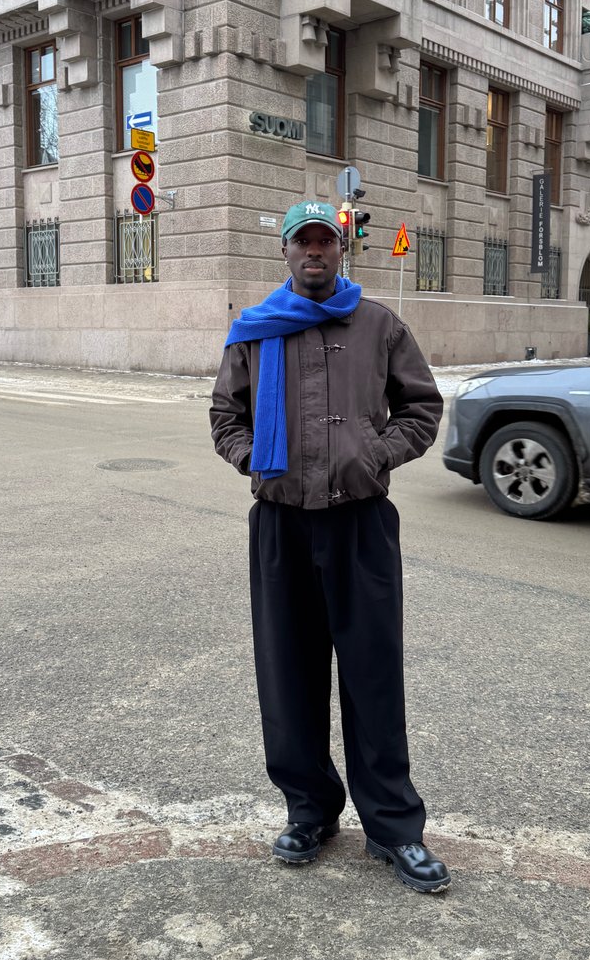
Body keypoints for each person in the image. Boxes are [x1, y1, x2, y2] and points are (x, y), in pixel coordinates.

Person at [209, 200, 450, 894]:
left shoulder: (378, 325)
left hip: (360, 524)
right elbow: (224, 414)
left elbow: (422, 406)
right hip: (281, 524)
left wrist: (376, 455)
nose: (315, 250)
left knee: (373, 675)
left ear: (342, 250)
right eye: (302, 240)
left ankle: (395, 828)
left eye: (326, 240)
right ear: (285, 251)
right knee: (289, 675)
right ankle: (310, 810)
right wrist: (255, 456)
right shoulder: (254, 331)